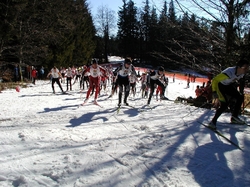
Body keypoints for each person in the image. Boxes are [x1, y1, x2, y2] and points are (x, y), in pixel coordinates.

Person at [209, 59, 249, 129]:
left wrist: (239, 90)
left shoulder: (242, 73)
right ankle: (213, 121)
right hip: (220, 85)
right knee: (224, 104)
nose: (247, 70)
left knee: (240, 97)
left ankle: (234, 117)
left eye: (248, 68)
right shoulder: (229, 72)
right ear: (239, 67)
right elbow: (215, 80)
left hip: (228, 85)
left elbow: (241, 81)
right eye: (245, 68)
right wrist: (214, 92)